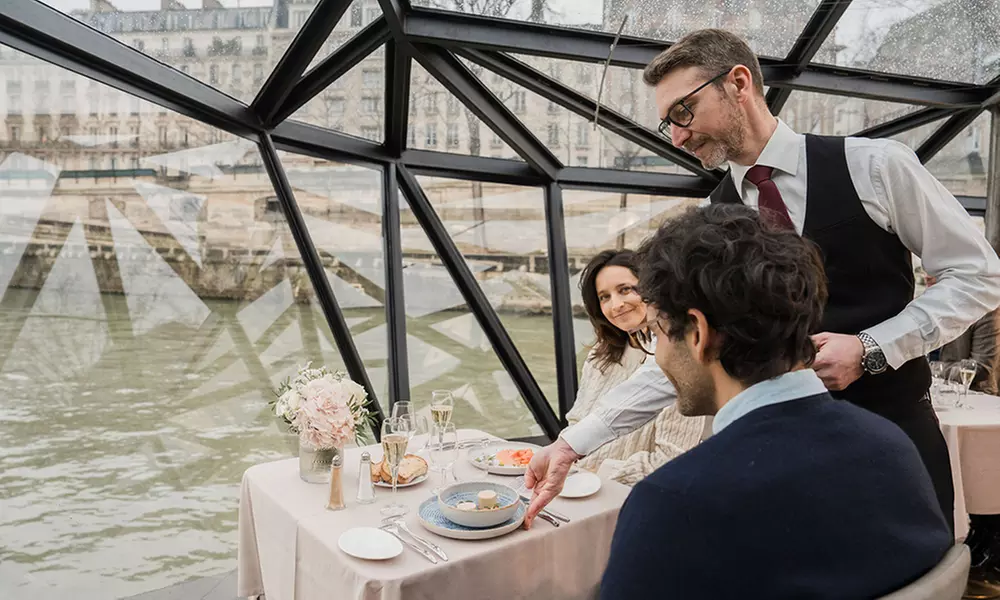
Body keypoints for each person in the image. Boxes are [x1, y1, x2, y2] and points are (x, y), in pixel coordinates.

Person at [522, 28, 1000, 530]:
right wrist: (572, 443)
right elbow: (685, 349)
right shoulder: (715, 214)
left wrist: (871, 347)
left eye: (683, 112)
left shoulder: (875, 166)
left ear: (739, 83)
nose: (678, 136)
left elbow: (979, 275)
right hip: (772, 459)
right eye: (669, 124)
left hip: (895, 438)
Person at [599, 203, 952, 599]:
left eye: (660, 332)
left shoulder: (674, 502)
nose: (660, 356)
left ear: (697, 333)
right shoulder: (893, 446)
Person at [567, 249, 708, 485]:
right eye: (604, 297)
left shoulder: (679, 360)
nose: (616, 305)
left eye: (625, 290)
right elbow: (576, 421)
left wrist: (599, 471)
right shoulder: (599, 357)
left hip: (635, 495)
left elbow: (672, 459)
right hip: (581, 487)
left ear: (652, 291)